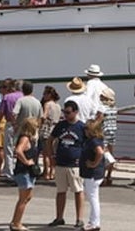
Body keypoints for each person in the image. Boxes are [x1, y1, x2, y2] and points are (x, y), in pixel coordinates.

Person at [50, 99, 86, 228]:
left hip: (75, 164)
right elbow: (51, 139)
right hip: (60, 163)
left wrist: (84, 160)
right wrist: (51, 155)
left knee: (78, 191)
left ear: (75, 112)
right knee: (61, 191)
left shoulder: (82, 127)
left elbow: (88, 145)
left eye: (68, 112)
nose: (66, 114)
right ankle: (59, 217)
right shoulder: (61, 125)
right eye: (64, 112)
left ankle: (79, 218)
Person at [10, 117, 40, 231]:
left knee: (28, 196)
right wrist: (26, 161)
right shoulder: (25, 139)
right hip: (24, 172)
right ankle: (16, 223)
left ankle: (15, 220)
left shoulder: (31, 139)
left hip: (29, 172)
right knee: (23, 198)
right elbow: (18, 150)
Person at [81, 117, 106, 231]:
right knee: (93, 197)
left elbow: (100, 153)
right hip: (95, 173)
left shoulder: (93, 141)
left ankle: (95, 222)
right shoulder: (98, 139)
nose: (84, 131)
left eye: (86, 128)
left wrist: (93, 164)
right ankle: (93, 221)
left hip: (92, 173)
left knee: (93, 198)